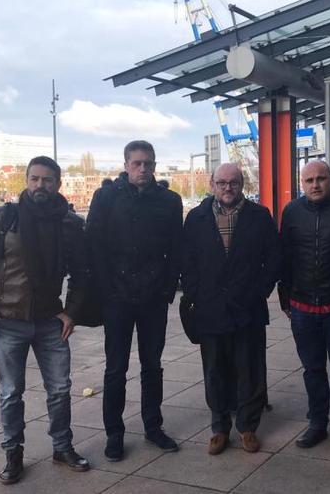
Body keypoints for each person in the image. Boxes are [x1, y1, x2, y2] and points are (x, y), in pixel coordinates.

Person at [0, 156, 90, 484]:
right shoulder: (4, 218)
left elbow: (82, 274)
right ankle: (13, 453)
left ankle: (62, 447)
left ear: (58, 184)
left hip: (51, 321)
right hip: (8, 321)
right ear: (26, 181)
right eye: (34, 179)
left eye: (47, 180)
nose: (40, 185)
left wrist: (72, 311)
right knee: (11, 392)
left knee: (60, 389)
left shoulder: (69, 224)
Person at [85, 140, 183, 462]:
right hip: (118, 297)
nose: (144, 169)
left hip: (153, 298)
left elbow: (176, 249)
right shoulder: (106, 197)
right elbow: (93, 246)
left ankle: (153, 427)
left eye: (149, 163)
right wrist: (106, 289)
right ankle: (114, 433)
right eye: (138, 163)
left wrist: (168, 289)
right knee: (116, 368)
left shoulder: (169, 201)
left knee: (152, 366)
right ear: (126, 164)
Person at [182, 163, 280, 455]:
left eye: (234, 183)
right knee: (214, 371)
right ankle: (219, 427)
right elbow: (186, 261)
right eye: (222, 182)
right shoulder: (197, 218)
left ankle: (248, 427)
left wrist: (260, 289)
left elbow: (274, 257)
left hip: (246, 307)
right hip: (210, 309)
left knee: (248, 368)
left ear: (242, 184)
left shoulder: (259, 216)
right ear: (212, 184)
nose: (228, 188)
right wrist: (195, 293)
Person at [278, 160, 330, 454]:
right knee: (312, 369)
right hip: (302, 306)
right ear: (301, 182)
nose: (315, 184)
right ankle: (317, 422)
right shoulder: (292, 211)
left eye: (321, 178)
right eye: (309, 180)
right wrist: (285, 296)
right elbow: (285, 255)